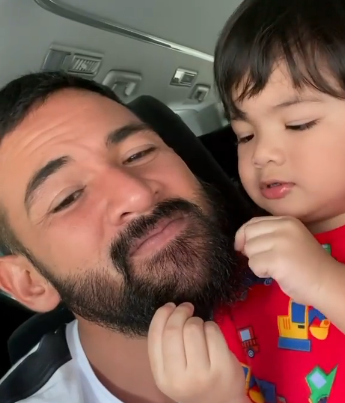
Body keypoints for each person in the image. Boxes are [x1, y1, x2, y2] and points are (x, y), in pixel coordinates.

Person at [152, 0, 345, 403]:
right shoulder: (240, 283)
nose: (262, 153)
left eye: (298, 124)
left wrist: (322, 279)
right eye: (245, 134)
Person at [0, 72, 249, 403]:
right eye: (68, 198)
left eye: (138, 153)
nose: (137, 194)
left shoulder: (304, 269)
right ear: (30, 281)